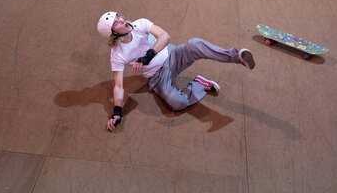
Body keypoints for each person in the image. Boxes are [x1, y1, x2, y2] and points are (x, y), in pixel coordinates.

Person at [96, 11, 255, 132]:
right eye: (116, 23)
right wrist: (116, 111)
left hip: (171, 56)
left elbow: (165, 36)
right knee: (177, 103)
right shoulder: (117, 54)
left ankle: (236, 57)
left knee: (194, 44)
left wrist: (148, 55)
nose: (122, 20)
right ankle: (198, 84)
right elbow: (118, 86)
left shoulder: (140, 24)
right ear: (113, 34)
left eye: (118, 16)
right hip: (157, 76)